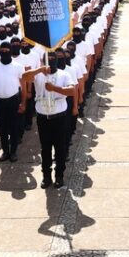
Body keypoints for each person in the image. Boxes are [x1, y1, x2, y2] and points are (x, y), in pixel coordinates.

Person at [24, 53, 76, 189]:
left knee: (60, 148)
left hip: (59, 117)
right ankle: (46, 176)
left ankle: (59, 176)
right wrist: (39, 70)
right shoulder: (39, 74)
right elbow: (24, 77)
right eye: (48, 59)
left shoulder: (64, 74)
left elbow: (72, 91)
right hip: (43, 117)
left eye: (53, 59)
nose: (51, 61)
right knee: (45, 148)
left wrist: (55, 89)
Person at [0, 42, 25, 162]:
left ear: (11, 51)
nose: (5, 52)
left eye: (7, 50)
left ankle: (13, 152)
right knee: (2, 128)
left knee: (13, 127)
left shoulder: (18, 66)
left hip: (13, 100)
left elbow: (23, 86)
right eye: (3, 50)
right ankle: (5, 152)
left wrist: (23, 103)